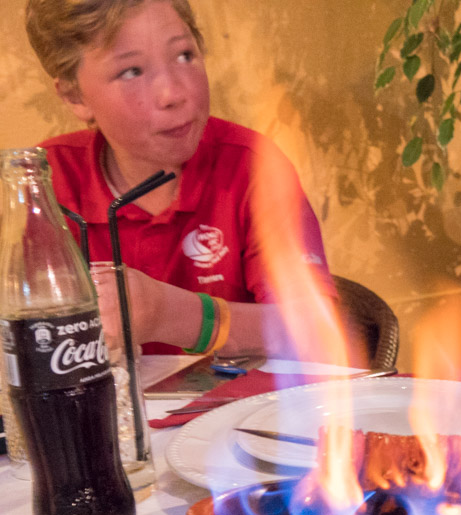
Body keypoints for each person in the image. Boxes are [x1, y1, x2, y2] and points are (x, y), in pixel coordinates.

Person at [24, 0, 340, 359]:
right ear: (75, 96)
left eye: (184, 55)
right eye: (131, 72)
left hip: (238, 412)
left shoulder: (252, 168)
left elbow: (316, 330)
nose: (174, 94)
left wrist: (172, 315)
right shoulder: (46, 182)